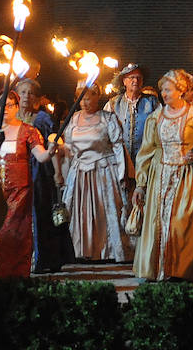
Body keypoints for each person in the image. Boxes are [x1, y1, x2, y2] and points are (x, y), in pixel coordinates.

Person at [131, 69, 193, 282]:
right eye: (162, 90)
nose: (164, 94)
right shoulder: (156, 117)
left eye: (168, 90)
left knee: (182, 223)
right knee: (158, 223)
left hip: (188, 176)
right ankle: (158, 269)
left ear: (180, 91)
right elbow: (146, 151)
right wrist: (141, 184)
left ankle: (183, 269)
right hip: (160, 176)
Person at [0, 87, 58, 279]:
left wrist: (51, 150)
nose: (5, 109)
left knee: (17, 235)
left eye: (10, 105)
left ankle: (18, 278)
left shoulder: (28, 131)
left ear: (16, 107)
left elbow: (40, 156)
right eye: (1, 106)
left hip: (20, 193)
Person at [59, 82, 133, 262]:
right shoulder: (73, 119)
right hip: (79, 173)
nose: (85, 102)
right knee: (80, 212)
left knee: (103, 210)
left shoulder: (107, 118)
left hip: (103, 171)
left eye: (89, 97)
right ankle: (80, 250)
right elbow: (68, 147)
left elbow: (117, 145)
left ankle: (107, 251)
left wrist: (122, 174)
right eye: (81, 98)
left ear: (96, 97)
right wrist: (61, 164)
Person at [16, 78, 76, 273]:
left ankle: (43, 259)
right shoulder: (12, 118)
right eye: (23, 92)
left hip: (39, 173)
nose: (26, 96)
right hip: (16, 173)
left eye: (31, 93)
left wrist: (58, 172)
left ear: (38, 98)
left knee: (40, 214)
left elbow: (54, 147)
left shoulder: (43, 119)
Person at [103, 64, 160, 162]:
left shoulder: (153, 102)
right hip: (120, 159)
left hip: (146, 159)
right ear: (124, 81)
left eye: (139, 78)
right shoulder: (113, 104)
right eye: (132, 77)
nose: (136, 81)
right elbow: (103, 130)